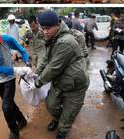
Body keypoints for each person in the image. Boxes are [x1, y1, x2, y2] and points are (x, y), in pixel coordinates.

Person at [31, 11, 89, 139]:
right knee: (51, 104)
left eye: (48, 28)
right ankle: (57, 119)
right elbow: (46, 59)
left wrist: (38, 82)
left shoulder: (65, 41)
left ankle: (63, 130)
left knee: (69, 112)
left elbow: (53, 68)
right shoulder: (53, 38)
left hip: (75, 84)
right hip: (60, 81)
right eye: (43, 28)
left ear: (57, 25)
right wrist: (36, 74)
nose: (45, 32)